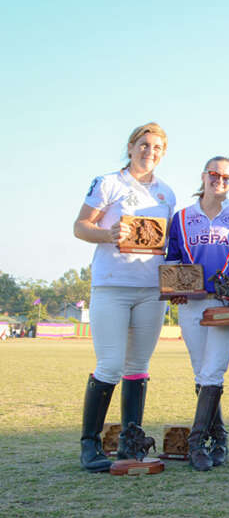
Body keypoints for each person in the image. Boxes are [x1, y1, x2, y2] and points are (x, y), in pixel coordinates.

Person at [73, 123, 175, 472]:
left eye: (157, 148)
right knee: (111, 365)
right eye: (144, 145)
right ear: (131, 147)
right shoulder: (108, 183)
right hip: (112, 285)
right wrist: (107, 233)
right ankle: (90, 443)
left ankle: (130, 442)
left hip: (151, 289)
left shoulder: (166, 193)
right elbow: (80, 226)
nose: (150, 152)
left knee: (138, 367)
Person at [165, 156, 229, 471]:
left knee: (212, 372)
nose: (221, 180)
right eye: (215, 174)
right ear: (204, 176)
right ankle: (219, 438)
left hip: (225, 303)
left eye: (228, 177)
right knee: (201, 373)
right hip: (192, 303)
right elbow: (173, 260)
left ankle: (196, 445)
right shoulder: (181, 218)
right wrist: (174, 287)